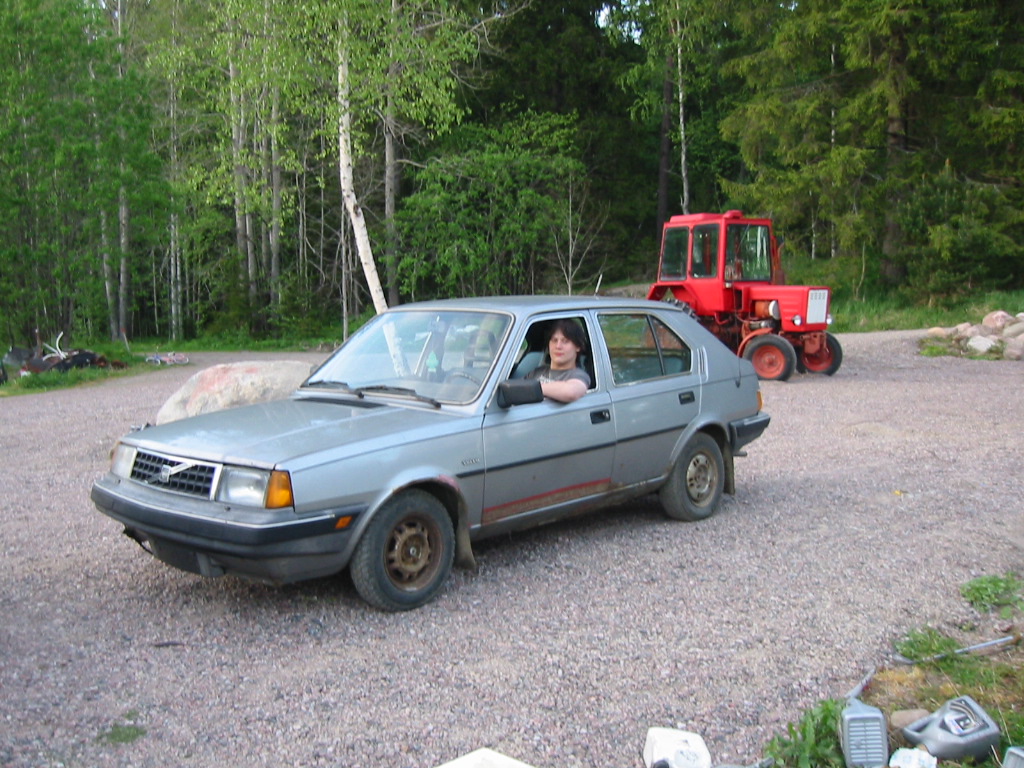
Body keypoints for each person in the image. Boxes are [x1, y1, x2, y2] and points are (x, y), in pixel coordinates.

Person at [526, 318, 590, 403]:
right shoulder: (537, 372)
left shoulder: (579, 375)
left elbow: (571, 392)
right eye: (554, 340)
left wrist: (531, 389)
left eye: (565, 341)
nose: (558, 346)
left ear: (578, 347)